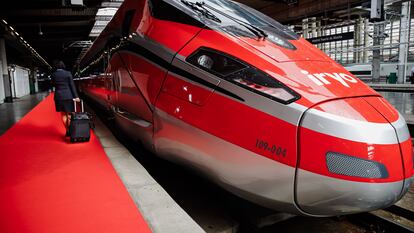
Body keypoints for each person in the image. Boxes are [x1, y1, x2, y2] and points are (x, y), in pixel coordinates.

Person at [51, 60, 80, 136]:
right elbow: (72, 85)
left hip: (59, 97)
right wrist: (76, 96)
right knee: (70, 114)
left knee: (63, 115)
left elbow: (53, 85)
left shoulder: (53, 75)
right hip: (68, 96)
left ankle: (67, 130)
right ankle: (71, 130)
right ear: (63, 65)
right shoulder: (68, 73)